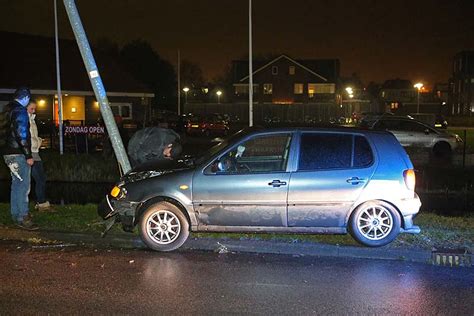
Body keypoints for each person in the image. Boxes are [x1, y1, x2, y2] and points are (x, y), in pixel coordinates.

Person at [0, 87, 37, 230]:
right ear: (26, 97)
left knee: (16, 184)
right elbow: (21, 133)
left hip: (7, 153)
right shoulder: (20, 111)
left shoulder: (6, 110)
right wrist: (28, 154)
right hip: (18, 153)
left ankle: (16, 214)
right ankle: (23, 216)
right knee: (23, 186)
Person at [27, 101, 52, 211]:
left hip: (35, 152)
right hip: (30, 153)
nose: (34, 110)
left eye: (34, 109)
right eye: (32, 108)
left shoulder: (32, 120)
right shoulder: (25, 120)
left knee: (41, 178)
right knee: (39, 178)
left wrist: (39, 141)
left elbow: (33, 135)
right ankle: (40, 203)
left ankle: (41, 202)